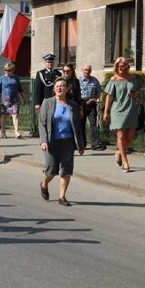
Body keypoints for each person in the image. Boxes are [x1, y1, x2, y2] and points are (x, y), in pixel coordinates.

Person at [39, 78, 85, 206]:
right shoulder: (47, 103)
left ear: (67, 89)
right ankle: (44, 184)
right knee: (51, 170)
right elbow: (42, 124)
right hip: (51, 141)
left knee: (66, 170)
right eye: (57, 86)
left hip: (68, 142)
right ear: (54, 89)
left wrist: (80, 145)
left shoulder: (73, 105)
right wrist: (43, 141)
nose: (59, 88)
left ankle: (62, 197)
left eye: (62, 86)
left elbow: (77, 127)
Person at [102, 57, 140, 173]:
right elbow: (109, 97)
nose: (120, 68)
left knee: (130, 136)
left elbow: (137, 92)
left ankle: (119, 152)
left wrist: (135, 94)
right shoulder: (113, 79)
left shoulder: (133, 79)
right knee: (120, 135)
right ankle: (125, 161)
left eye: (123, 66)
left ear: (127, 67)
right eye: (118, 67)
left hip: (131, 109)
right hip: (117, 110)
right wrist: (106, 111)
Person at [31, 53, 62, 137]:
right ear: (45, 63)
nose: (50, 64)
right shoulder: (41, 73)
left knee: (56, 117)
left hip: (56, 100)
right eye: (48, 62)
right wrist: (37, 103)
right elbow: (38, 89)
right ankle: (45, 134)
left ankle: (54, 133)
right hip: (46, 99)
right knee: (46, 118)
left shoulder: (58, 73)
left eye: (51, 62)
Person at [0, 62, 24, 139]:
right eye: (6, 70)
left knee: (15, 115)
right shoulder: (2, 78)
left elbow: (20, 89)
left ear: (13, 70)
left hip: (14, 99)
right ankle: (3, 131)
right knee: (4, 115)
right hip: (5, 99)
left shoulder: (16, 78)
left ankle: (16, 131)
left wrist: (22, 98)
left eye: (9, 70)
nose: (7, 72)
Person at [79, 64, 104, 150]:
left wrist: (94, 99)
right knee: (81, 124)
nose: (87, 72)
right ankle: (82, 144)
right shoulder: (78, 80)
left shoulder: (94, 80)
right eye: (85, 70)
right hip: (81, 103)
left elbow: (99, 92)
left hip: (91, 103)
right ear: (82, 70)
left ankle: (95, 144)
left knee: (93, 124)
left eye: (89, 70)